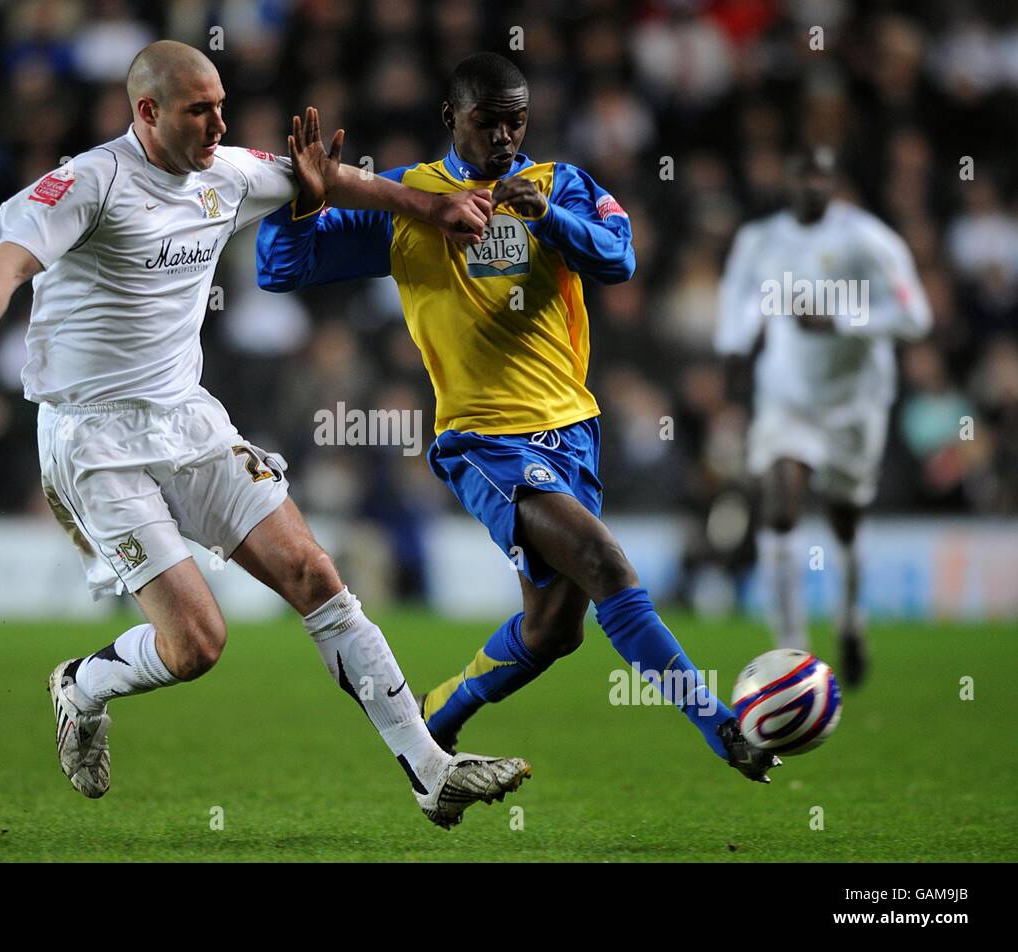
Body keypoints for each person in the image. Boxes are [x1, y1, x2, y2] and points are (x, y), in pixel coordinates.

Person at [0, 40, 528, 830]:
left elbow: (336, 181)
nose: (219, 122)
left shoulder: (228, 170)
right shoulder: (90, 181)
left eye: (220, 104)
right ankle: (81, 686)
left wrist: (437, 207)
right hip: (95, 440)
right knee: (197, 645)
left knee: (318, 577)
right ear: (146, 112)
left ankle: (430, 770)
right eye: (198, 110)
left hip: (188, 418)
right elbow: (2, 266)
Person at [256, 52, 778, 782]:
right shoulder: (407, 201)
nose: (505, 137)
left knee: (553, 630)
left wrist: (550, 219)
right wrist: (305, 203)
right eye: (487, 121)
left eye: (516, 122)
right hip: (482, 440)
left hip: (572, 429)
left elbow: (620, 258)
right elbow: (279, 268)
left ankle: (437, 713)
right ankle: (720, 725)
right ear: (451, 119)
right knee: (605, 563)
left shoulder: (557, 183)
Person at [715, 146, 931, 686]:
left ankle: (851, 621)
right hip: (787, 397)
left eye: (822, 175)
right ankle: (792, 655)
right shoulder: (759, 240)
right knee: (780, 508)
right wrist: (740, 342)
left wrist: (842, 320)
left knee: (845, 521)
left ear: (835, 184)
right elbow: (735, 312)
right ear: (788, 180)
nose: (812, 183)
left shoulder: (868, 239)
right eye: (803, 173)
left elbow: (915, 316)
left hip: (855, 404)